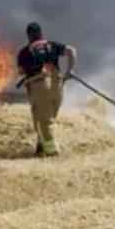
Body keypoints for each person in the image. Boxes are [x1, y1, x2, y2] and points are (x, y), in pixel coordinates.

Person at [17, 21, 77, 156]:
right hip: (57, 86)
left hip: (39, 86)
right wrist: (71, 70)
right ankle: (41, 147)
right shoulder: (51, 45)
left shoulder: (24, 52)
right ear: (41, 33)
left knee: (43, 121)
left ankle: (52, 153)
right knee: (49, 118)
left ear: (28, 36)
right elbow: (71, 50)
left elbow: (21, 71)